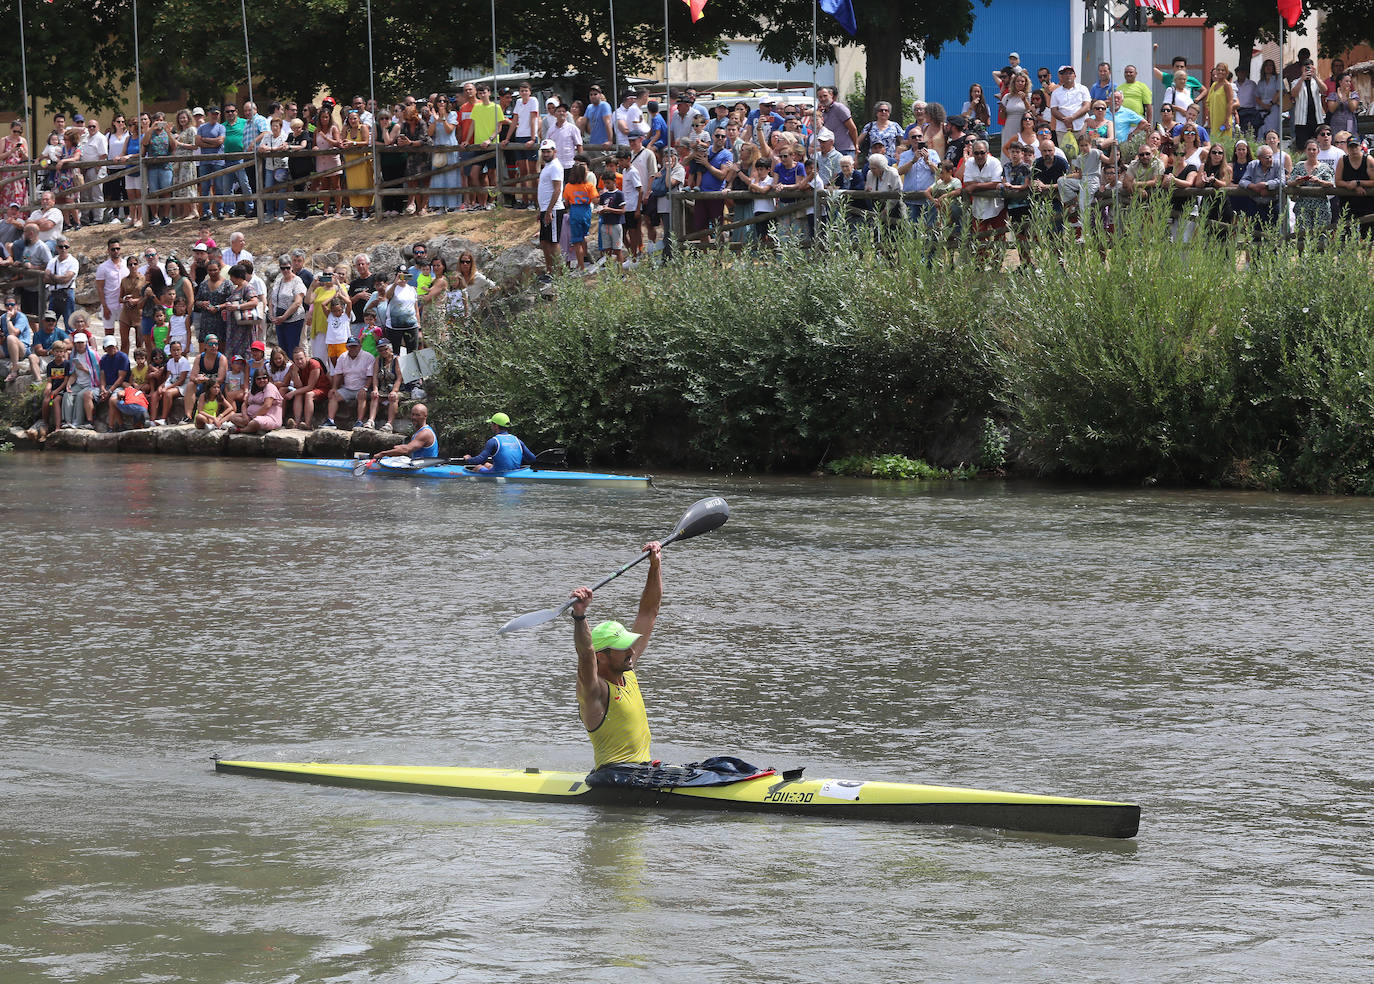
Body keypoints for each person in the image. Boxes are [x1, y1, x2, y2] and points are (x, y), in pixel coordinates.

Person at [568, 540, 662, 769]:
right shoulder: (594, 691)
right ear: (602, 657)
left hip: (643, 770)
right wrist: (580, 615)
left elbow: (649, 611)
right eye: (623, 647)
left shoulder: (626, 668)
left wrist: (654, 566)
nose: (632, 651)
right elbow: (585, 653)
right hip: (613, 776)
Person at [323, 335, 374, 428]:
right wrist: (334, 388)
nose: (353, 349)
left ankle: (359, 421)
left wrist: (365, 388)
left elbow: (370, 376)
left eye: (355, 346)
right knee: (333, 395)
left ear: (360, 346)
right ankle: (330, 420)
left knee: (362, 395)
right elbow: (338, 374)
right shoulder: (342, 357)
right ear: (347, 347)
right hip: (347, 388)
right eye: (351, 346)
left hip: (361, 387)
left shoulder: (368, 357)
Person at [366, 402, 438, 464]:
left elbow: (406, 450)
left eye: (417, 415)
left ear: (425, 416)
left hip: (426, 467)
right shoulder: (419, 432)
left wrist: (382, 454)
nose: (414, 417)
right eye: (413, 414)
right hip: (418, 465)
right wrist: (400, 448)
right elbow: (409, 447)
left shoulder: (425, 433)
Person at [463, 411, 535, 470]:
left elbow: (480, 460)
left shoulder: (493, 441)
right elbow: (532, 459)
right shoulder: (518, 440)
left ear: (496, 426)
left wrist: (468, 459)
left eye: (492, 424)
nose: (491, 426)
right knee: (487, 464)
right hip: (515, 471)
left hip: (500, 473)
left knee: (478, 467)